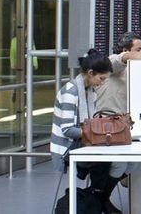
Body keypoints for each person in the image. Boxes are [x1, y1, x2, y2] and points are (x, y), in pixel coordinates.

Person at [51, 50, 123, 214]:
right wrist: (98, 135)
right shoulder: (70, 92)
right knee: (109, 161)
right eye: (101, 78)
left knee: (123, 161)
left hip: (85, 143)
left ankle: (98, 198)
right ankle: (98, 198)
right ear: (91, 73)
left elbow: (94, 121)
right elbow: (67, 129)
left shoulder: (90, 91)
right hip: (69, 148)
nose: (102, 82)